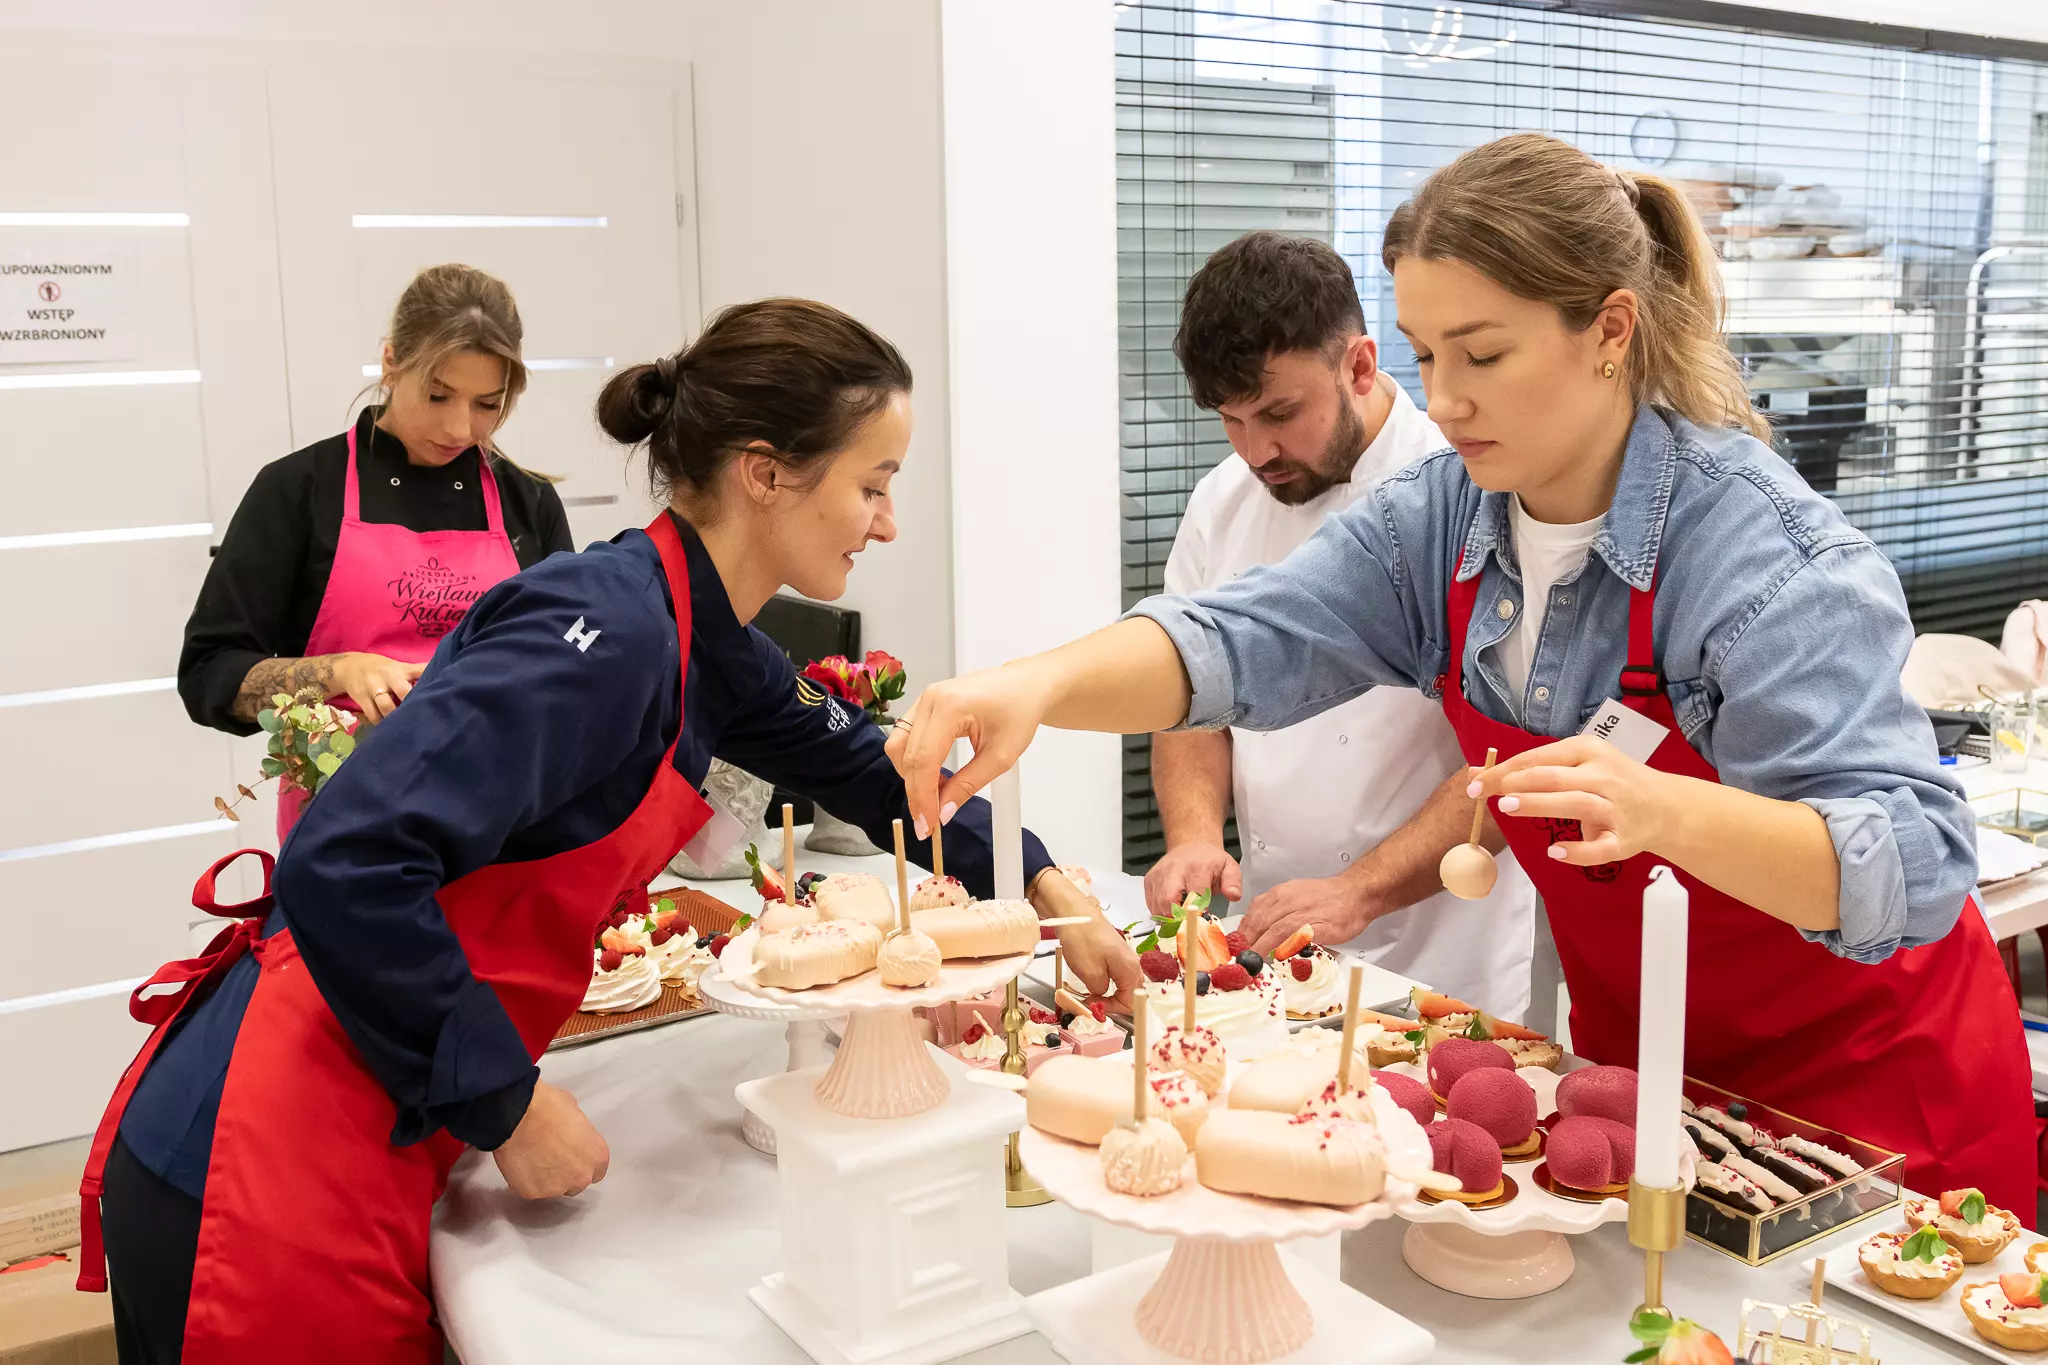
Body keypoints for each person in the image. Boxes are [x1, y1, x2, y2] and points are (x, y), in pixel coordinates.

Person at [890, 133, 2035, 1213]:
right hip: (1645, 1078)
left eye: (1481, 355)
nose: (1442, 400)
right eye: (1427, 355)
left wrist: (1662, 811)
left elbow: (1915, 866)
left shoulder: (1761, 557)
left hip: (1873, 1095)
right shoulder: (1442, 520)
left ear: (1609, 329)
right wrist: (1036, 686)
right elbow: (1237, 637)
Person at [83, 298, 1141, 1364]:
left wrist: (1046, 888)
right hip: (271, 1138)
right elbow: (347, 860)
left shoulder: (705, 637)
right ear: (765, 473)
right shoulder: (606, 632)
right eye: (873, 485)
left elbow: (873, 773)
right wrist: (508, 1105)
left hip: (382, 1105)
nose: (887, 522)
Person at [1147, 231, 1536, 1014]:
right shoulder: (1220, 501)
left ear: (1359, 366)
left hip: (1444, 957)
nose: (1256, 449)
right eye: (1231, 420)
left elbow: (1512, 759)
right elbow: (1190, 696)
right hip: (1273, 942)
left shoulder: (1470, 491)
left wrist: (1359, 889)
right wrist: (1194, 834)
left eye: (1280, 413)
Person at [177, 263, 573, 838]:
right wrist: (341, 671)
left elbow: (566, 666)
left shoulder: (527, 503)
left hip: (502, 819)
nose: (459, 428)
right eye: (437, 395)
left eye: (487, 404)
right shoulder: (298, 490)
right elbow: (208, 673)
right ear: (391, 362)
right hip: (344, 826)